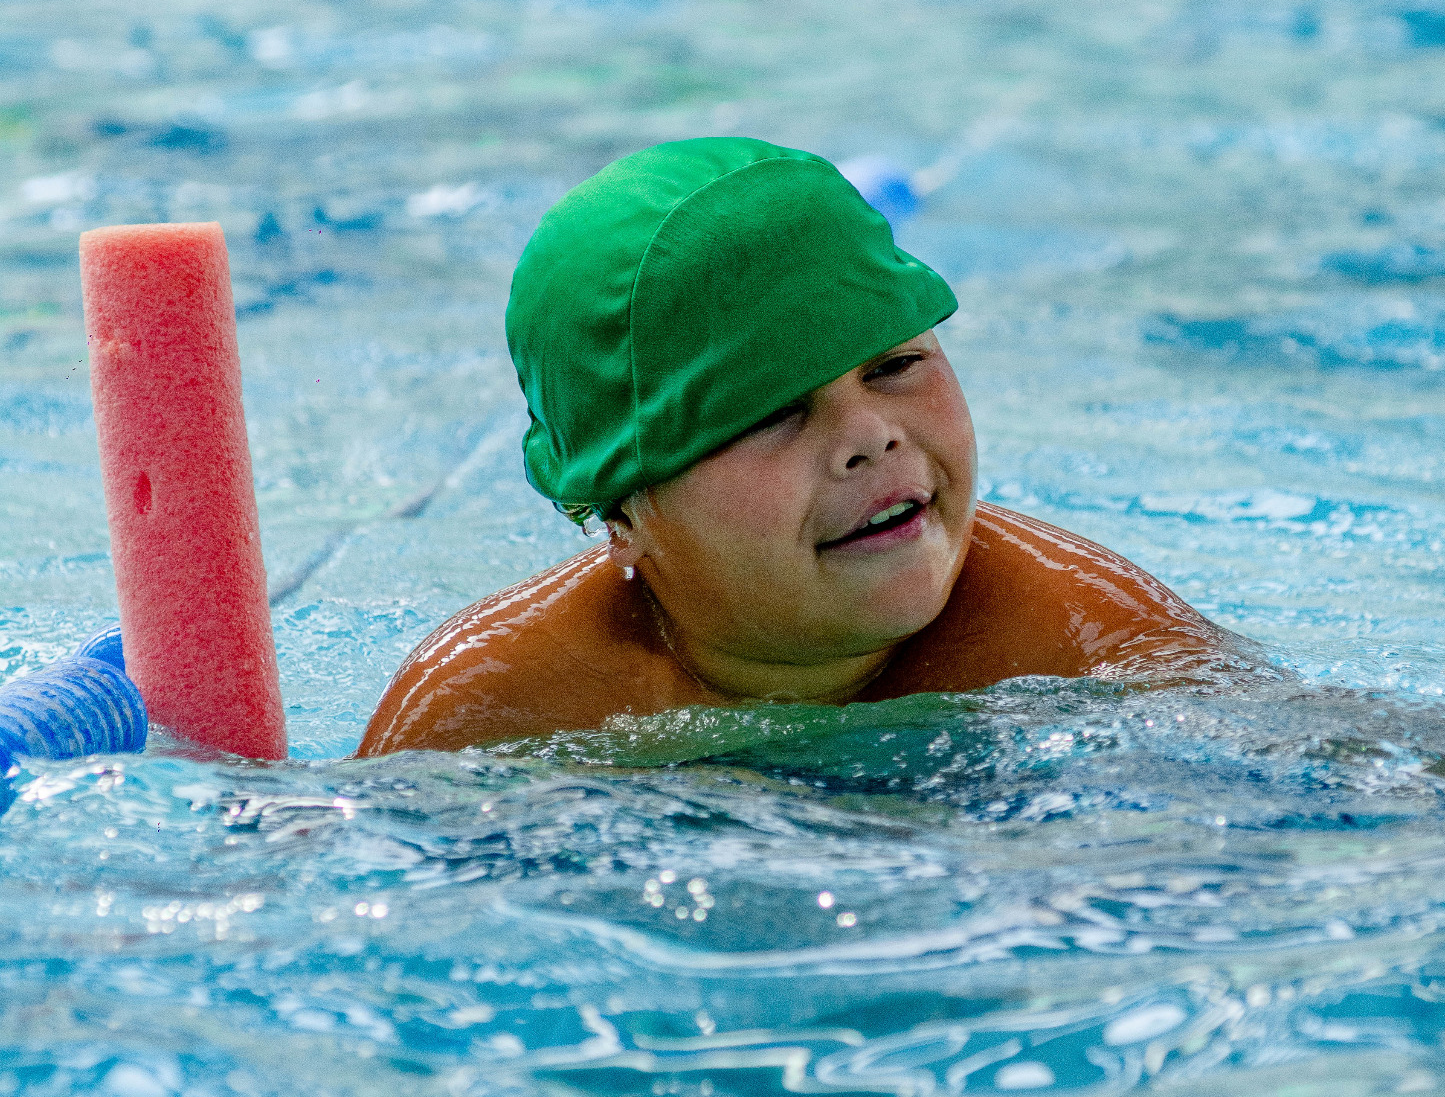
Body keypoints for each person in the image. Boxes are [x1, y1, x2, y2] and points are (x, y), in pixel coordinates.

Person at [357, 138, 1225, 755]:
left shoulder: (1093, 644)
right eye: (771, 413)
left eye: (895, 365)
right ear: (621, 515)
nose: (870, 435)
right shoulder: (499, 707)